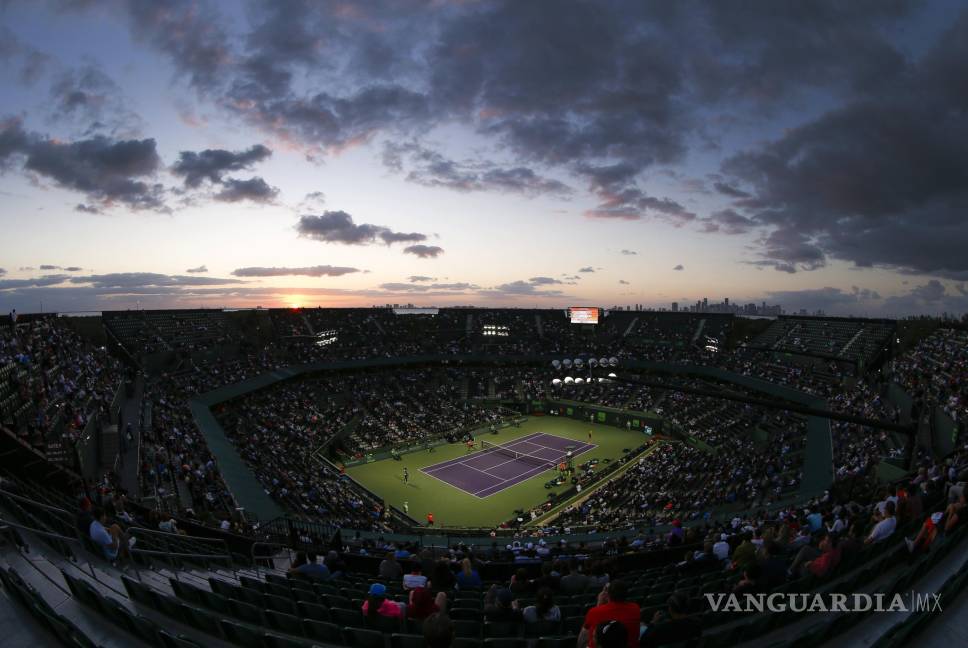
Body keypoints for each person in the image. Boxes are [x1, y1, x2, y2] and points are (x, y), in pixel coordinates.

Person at [578, 580, 639, 648]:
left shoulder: (594, 611)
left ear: (608, 595)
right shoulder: (635, 608)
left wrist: (599, 604)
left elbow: (583, 636)